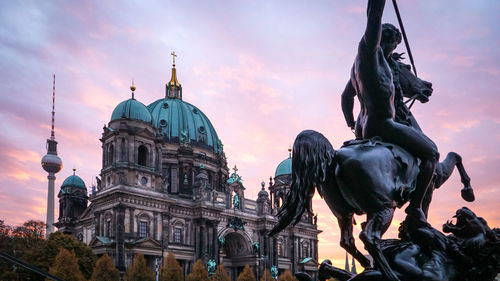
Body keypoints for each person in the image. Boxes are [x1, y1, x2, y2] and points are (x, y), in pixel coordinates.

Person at [342, 0, 439, 216]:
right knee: (432, 153)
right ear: (387, 39)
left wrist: (350, 123)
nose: (393, 50)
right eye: (394, 44)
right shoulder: (370, 53)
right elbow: (373, 12)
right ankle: (416, 211)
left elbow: (345, 97)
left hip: (363, 127)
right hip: (383, 125)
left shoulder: (360, 69)